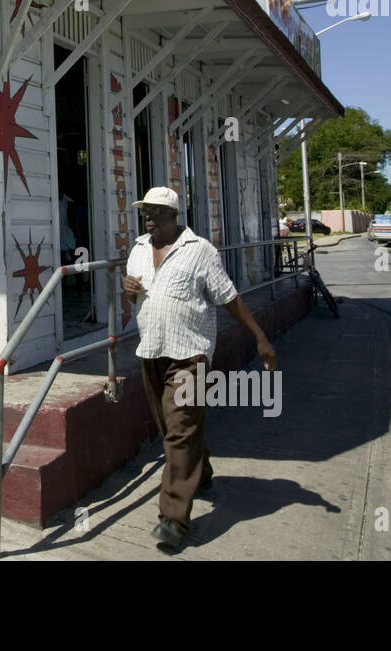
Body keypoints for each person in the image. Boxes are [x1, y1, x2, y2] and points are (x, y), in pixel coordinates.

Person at [121, 186, 278, 551]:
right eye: (145, 209)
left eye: (156, 211)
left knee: (179, 430)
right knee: (174, 428)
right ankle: (201, 471)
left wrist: (260, 337)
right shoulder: (139, 250)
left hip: (190, 355)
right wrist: (128, 289)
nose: (148, 215)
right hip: (152, 351)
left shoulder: (200, 251)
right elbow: (135, 297)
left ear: (174, 215)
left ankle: (173, 520)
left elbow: (228, 297)